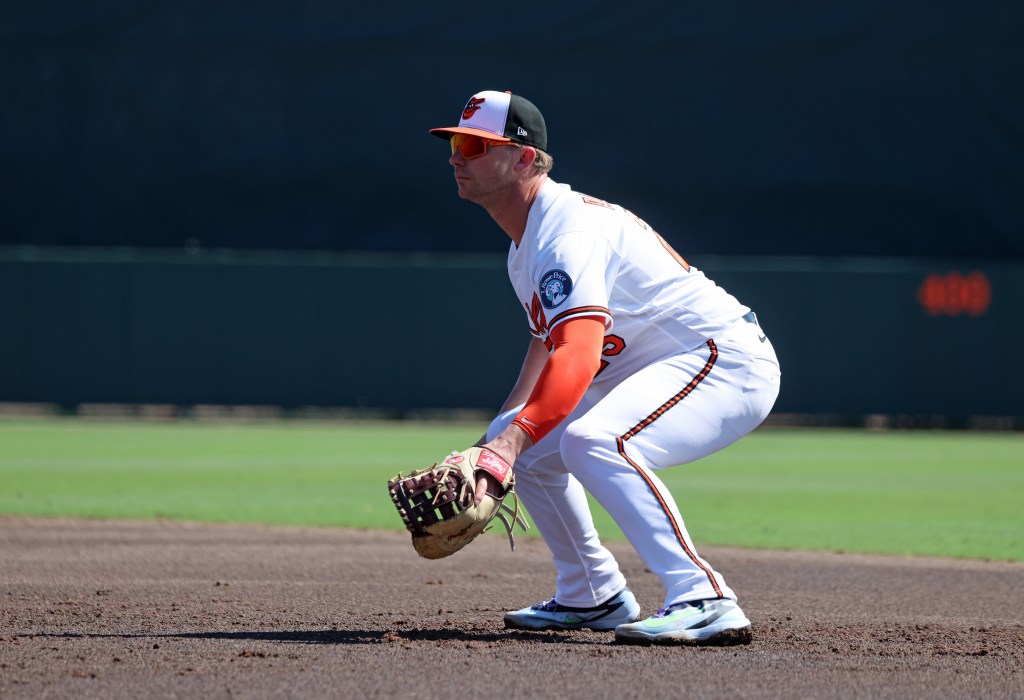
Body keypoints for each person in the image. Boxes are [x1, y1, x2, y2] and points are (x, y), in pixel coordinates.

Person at [428, 90, 781, 646]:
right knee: (523, 439)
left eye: (474, 145)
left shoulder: (567, 234)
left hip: (723, 360)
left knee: (598, 440)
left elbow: (578, 355)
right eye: (454, 143)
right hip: (665, 365)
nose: (456, 156)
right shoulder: (526, 245)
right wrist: (493, 444)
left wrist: (507, 447)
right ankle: (592, 593)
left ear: (524, 158)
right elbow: (547, 345)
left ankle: (704, 597)